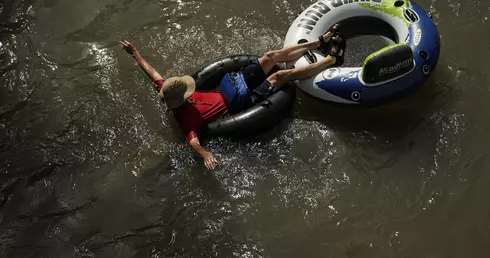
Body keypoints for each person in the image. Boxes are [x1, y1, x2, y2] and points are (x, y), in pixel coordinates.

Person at [120, 24, 345, 170]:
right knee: (279, 76)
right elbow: (193, 141)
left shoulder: (168, 88)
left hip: (234, 86)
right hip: (242, 103)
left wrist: (135, 53)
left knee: (269, 56)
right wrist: (205, 154)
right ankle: (330, 61)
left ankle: (320, 43)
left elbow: (153, 74)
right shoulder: (186, 119)